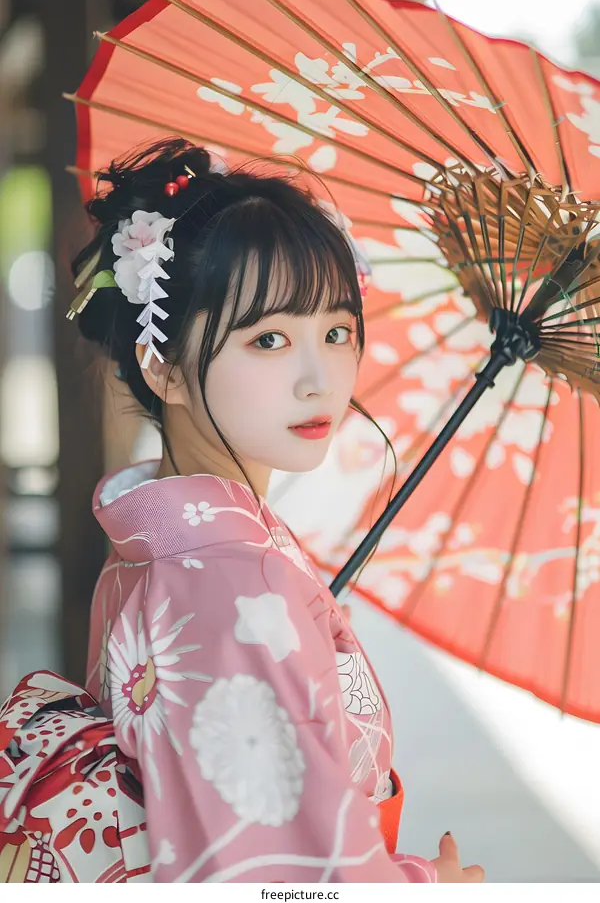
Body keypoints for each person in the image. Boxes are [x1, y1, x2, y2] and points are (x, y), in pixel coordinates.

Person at [0, 137, 484, 884]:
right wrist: (429, 886)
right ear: (163, 366)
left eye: (335, 332)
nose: (318, 376)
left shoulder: (152, 540)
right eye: (268, 339)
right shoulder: (231, 576)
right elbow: (271, 874)